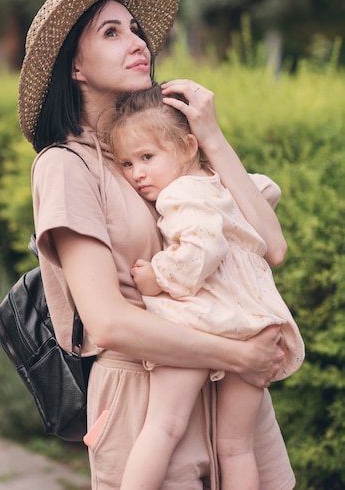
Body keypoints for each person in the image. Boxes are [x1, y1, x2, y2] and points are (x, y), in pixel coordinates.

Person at [18, 0, 296, 490]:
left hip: (229, 392)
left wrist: (210, 136)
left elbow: (273, 245)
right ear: (74, 66)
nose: (138, 41)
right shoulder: (66, 167)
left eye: (137, 29)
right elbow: (108, 321)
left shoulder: (159, 153)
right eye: (112, 32)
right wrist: (240, 352)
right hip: (148, 398)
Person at [109, 83, 305, 490]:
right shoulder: (223, 188)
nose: (137, 173)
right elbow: (267, 192)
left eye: (147, 157)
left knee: (162, 427)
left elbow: (203, 247)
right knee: (236, 447)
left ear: (188, 148)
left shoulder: (180, 194)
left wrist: (157, 278)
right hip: (253, 322)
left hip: (201, 317)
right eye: (126, 164)